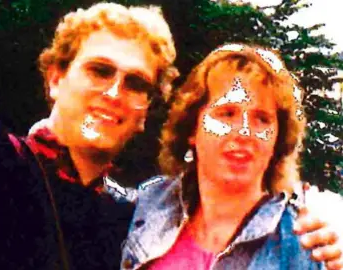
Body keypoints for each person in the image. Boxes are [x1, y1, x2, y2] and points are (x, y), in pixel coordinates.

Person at [0, 3, 339, 269]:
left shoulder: (125, 217)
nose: (114, 92)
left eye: (135, 84)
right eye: (99, 70)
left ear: (143, 113)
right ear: (54, 78)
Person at [120, 44, 343, 270]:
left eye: (262, 119)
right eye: (227, 114)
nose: (244, 131)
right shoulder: (146, 207)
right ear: (191, 129)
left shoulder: (302, 244)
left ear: (277, 140)